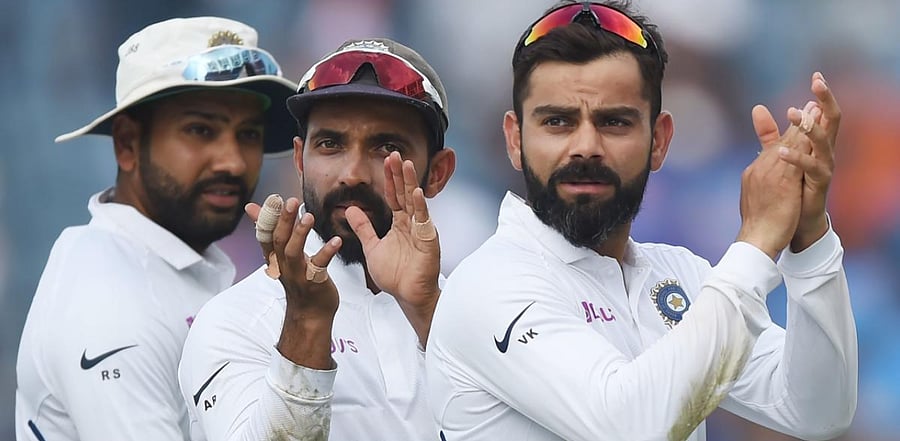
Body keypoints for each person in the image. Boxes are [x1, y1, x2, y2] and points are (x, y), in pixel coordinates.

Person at [425, 2, 857, 440]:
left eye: (614, 122)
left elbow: (818, 411)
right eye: (558, 122)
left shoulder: (679, 277)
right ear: (515, 140)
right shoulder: (489, 284)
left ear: (660, 141)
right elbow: (632, 427)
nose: (586, 146)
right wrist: (758, 239)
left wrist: (808, 234)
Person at [15, 17, 297, 440]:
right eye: (200, 130)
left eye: (249, 134)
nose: (233, 162)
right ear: (127, 144)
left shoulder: (167, 267)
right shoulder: (110, 306)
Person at [177, 38, 457, 440]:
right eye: (330, 144)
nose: (353, 173)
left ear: (437, 173)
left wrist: (426, 309)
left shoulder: (469, 314)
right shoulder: (237, 320)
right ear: (299, 160)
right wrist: (307, 322)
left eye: (387, 147)